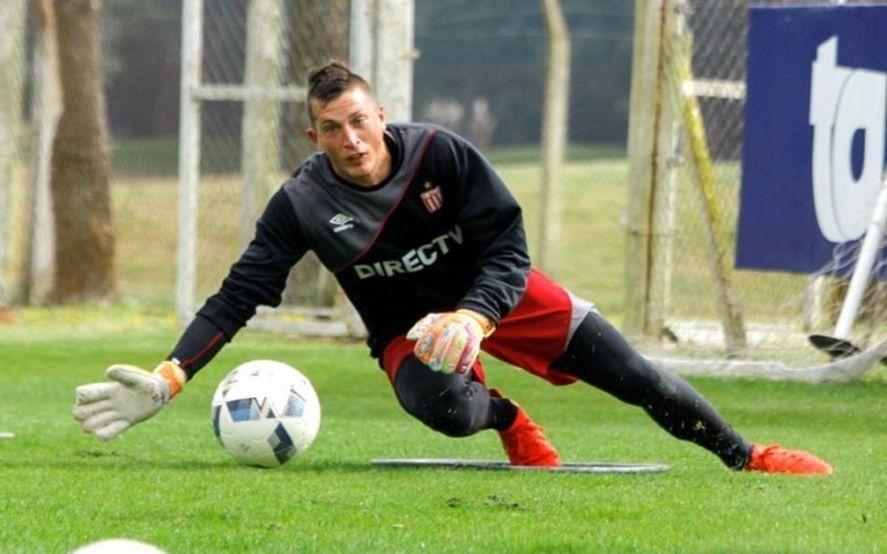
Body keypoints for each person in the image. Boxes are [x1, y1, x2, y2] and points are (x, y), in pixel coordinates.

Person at [73, 61, 832, 475]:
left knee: (635, 377)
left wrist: (474, 315)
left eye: (360, 121)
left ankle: (748, 457)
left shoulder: (441, 154)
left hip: (496, 299)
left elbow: (508, 246)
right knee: (443, 411)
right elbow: (237, 295)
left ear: (381, 116)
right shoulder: (300, 203)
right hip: (408, 330)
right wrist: (171, 375)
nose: (351, 140)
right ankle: (508, 418)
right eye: (332, 129)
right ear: (314, 135)